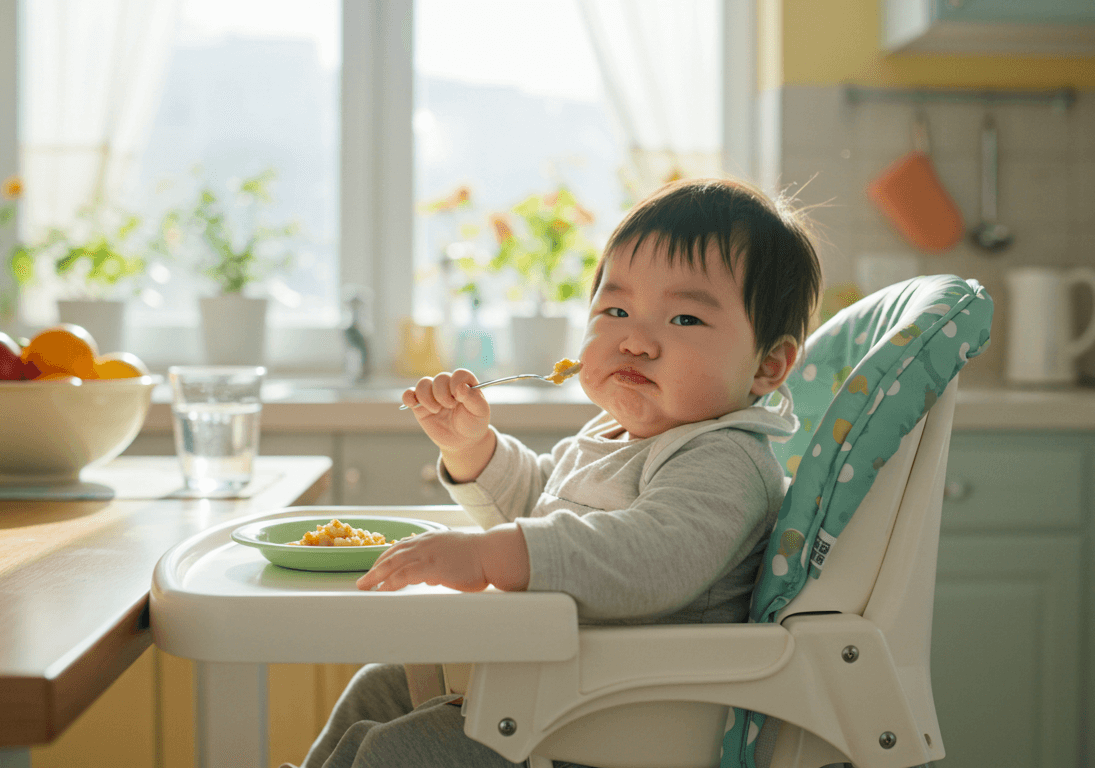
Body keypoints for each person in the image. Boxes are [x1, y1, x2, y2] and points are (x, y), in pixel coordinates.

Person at [300, 178, 823, 768]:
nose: (634, 340)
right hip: (560, 693)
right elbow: (542, 499)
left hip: (629, 724)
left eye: (683, 319)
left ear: (768, 365)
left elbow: (646, 557)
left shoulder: (724, 458)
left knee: (401, 750)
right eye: (616, 310)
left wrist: (486, 556)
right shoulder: (614, 435)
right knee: (382, 686)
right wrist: (473, 447)